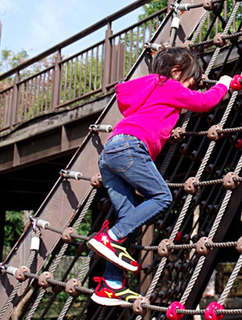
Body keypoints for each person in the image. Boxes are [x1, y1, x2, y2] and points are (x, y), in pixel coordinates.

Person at [89, 48, 232, 306]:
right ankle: (108, 237)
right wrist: (223, 85)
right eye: (191, 80)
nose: (193, 85)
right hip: (131, 147)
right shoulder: (168, 85)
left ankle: (111, 285)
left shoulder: (146, 90)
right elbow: (203, 102)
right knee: (162, 197)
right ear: (176, 72)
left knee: (129, 216)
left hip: (110, 153)